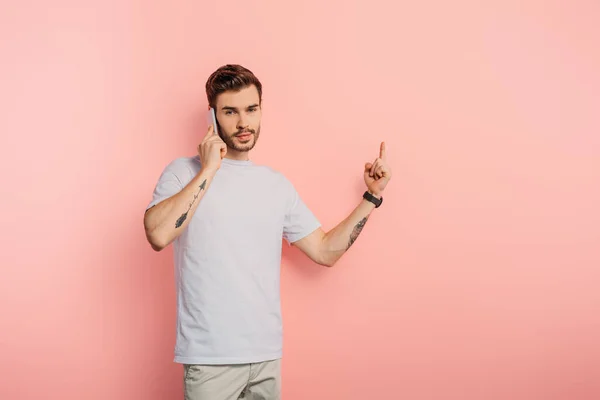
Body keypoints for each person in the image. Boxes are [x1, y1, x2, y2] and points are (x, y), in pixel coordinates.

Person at [143, 64, 392, 400]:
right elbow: (157, 235)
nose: (244, 122)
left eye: (252, 110)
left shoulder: (275, 185)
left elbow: (323, 251)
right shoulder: (182, 172)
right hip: (211, 360)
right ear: (212, 118)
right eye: (230, 112)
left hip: (266, 358)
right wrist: (210, 168)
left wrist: (371, 196)